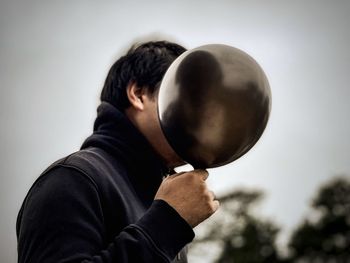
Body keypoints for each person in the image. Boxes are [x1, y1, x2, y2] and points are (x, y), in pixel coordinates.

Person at [16, 40, 220, 263]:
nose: (202, 116)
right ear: (138, 94)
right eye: (187, 98)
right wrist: (167, 224)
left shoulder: (160, 199)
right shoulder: (73, 178)